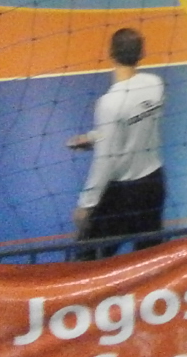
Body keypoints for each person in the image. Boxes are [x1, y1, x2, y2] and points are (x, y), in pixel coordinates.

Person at [67, 28, 166, 260]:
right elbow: (137, 123)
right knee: (148, 257)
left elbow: (105, 160)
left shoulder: (109, 103)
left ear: (110, 53)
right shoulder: (156, 84)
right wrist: (95, 137)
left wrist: (86, 204)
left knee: (89, 256)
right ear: (142, 53)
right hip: (153, 185)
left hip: (123, 194)